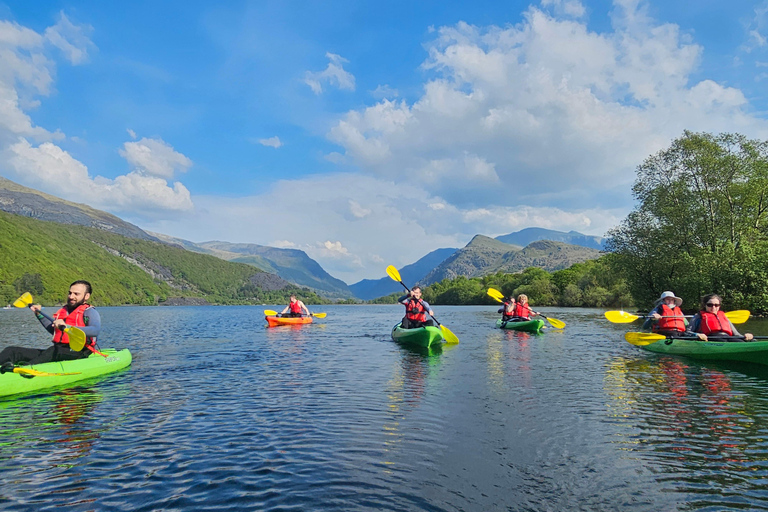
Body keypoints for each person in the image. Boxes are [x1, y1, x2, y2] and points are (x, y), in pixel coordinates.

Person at [0, 280, 101, 367]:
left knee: (53, 350)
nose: (71, 296)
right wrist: (39, 315)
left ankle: (26, 370)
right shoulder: (64, 311)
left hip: (79, 351)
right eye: (70, 293)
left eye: (76, 294)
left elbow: (95, 330)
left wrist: (68, 326)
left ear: (86, 296)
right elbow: (54, 331)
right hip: (58, 350)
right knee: (12, 351)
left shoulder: (89, 311)